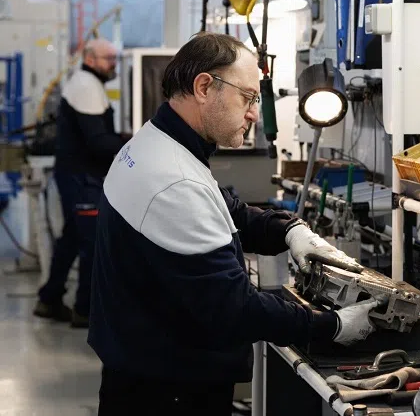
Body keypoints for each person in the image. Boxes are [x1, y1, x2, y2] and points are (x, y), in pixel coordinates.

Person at [89, 33, 379, 416]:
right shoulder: (173, 180)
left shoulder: (156, 143)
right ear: (204, 86)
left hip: (146, 370)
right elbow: (234, 309)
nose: (255, 114)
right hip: (168, 393)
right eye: (248, 97)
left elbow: (226, 209)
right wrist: (330, 326)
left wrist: (290, 231)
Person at [34, 38, 123, 328]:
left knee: (72, 237)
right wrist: (132, 142)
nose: (113, 64)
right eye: (108, 58)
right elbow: (97, 142)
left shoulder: (89, 83)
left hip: (79, 174)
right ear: (90, 58)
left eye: (114, 58)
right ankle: (84, 310)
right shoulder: (85, 85)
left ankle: (49, 299)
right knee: (92, 244)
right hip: (82, 178)